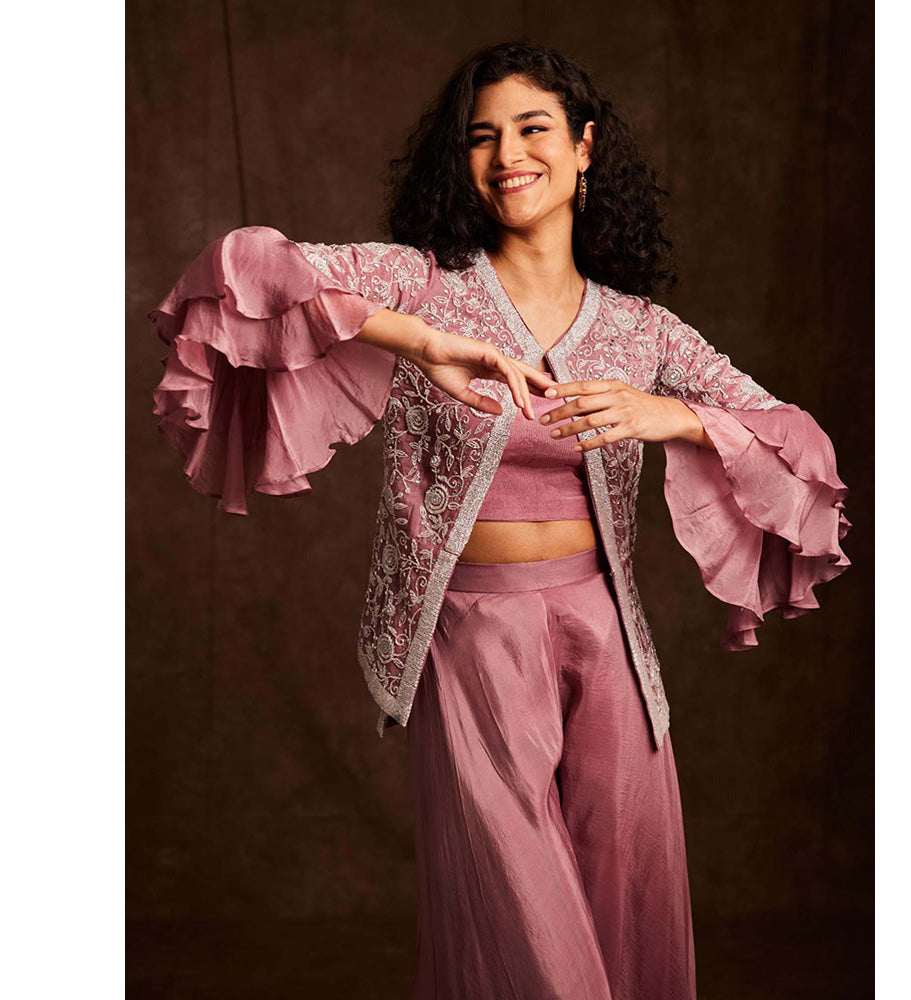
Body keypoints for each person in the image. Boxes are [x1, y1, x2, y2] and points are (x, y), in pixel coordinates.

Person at [147, 41, 850, 1000]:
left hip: (606, 640)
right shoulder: (425, 284)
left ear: (585, 147)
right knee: (529, 940)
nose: (508, 154)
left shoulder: (640, 329)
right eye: (482, 136)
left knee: (626, 915)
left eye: (532, 128)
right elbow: (239, 272)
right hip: (472, 637)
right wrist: (418, 339)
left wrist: (672, 416)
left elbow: (798, 444)